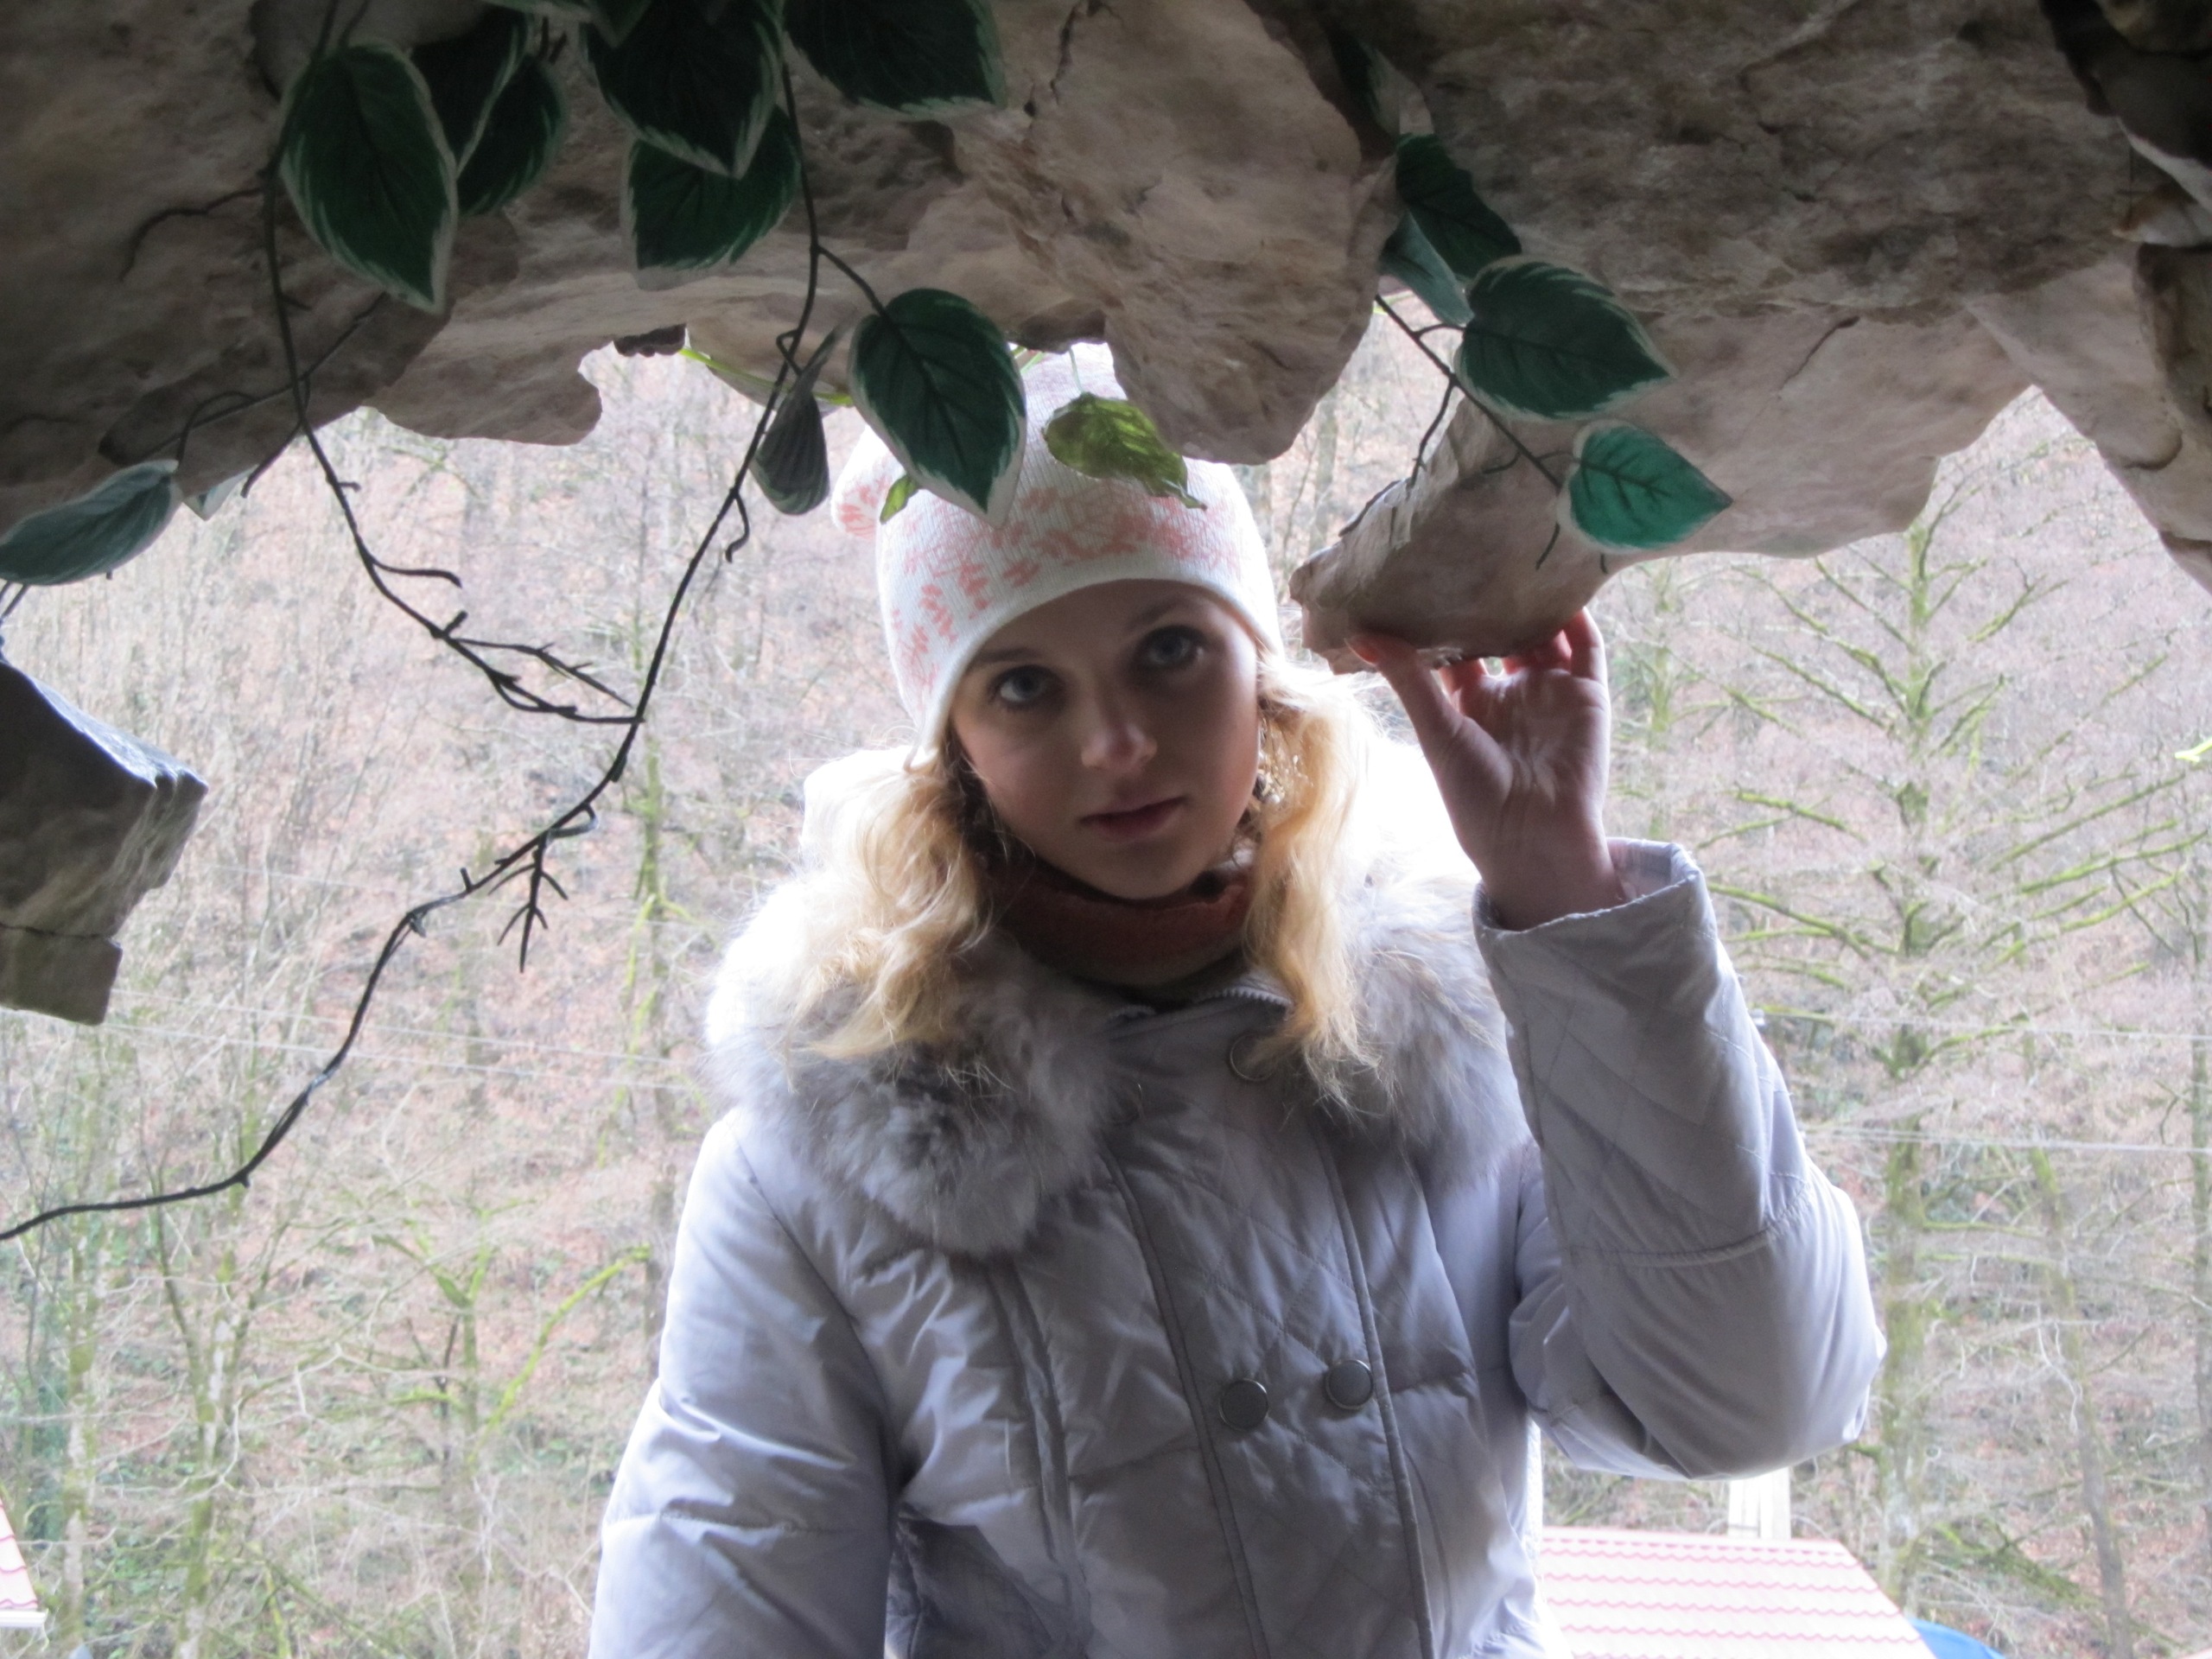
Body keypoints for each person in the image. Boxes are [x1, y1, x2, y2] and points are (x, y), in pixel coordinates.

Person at [587, 346, 1883, 1659]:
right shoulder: (817, 1169)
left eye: (1169, 649)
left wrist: (1573, 906)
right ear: (953, 749)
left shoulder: (1459, 1030)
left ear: (1260, 674)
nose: (1117, 743)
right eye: (1023, 684)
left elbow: (1747, 1405)